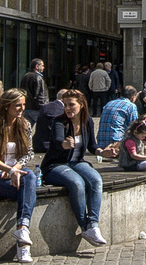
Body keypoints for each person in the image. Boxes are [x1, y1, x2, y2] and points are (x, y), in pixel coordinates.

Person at [0, 89, 39, 263]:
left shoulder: (24, 124)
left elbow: (29, 153)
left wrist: (16, 169)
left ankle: (22, 228)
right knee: (27, 192)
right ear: (6, 106)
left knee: (30, 178)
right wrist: (9, 170)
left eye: (23, 105)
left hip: (15, 171)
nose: (21, 109)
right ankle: (23, 246)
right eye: (17, 105)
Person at [38, 89, 106, 246]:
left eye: (71, 105)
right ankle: (83, 225)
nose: (68, 109)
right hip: (56, 165)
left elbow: (92, 145)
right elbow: (57, 139)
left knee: (96, 179)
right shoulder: (59, 121)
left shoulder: (87, 121)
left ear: (81, 105)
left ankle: (93, 225)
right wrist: (64, 144)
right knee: (77, 183)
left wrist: (101, 151)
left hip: (77, 162)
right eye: (65, 105)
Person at [19, 58, 48, 126]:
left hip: (27, 108)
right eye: (42, 65)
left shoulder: (26, 76)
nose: (43, 67)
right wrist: (43, 108)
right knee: (43, 129)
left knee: (25, 129)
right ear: (37, 66)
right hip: (36, 109)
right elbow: (39, 95)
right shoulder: (38, 78)